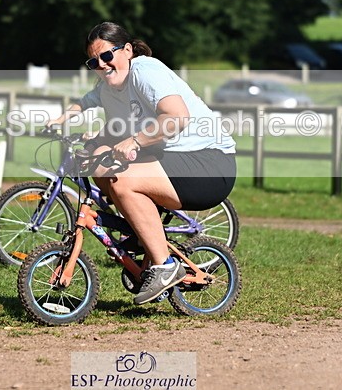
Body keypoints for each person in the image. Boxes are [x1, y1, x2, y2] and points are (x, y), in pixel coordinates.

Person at [51, 21, 236, 305]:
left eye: (107, 56)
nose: (101, 65)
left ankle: (164, 266)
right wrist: (58, 122)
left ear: (126, 50)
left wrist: (136, 141)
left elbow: (177, 116)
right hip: (175, 157)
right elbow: (84, 102)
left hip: (210, 163)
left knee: (122, 181)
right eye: (94, 61)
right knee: (99, 161)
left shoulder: (145, 72)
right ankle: (141, 233)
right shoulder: (110, 87)